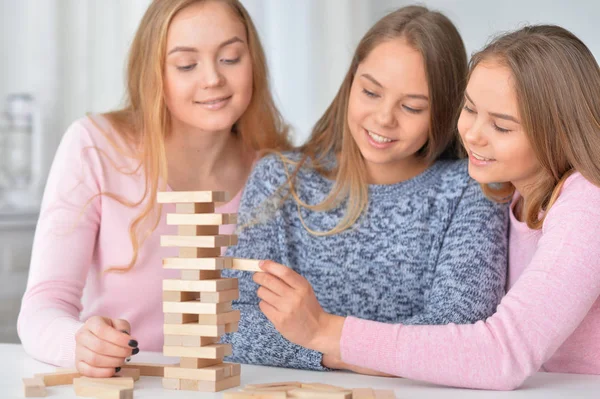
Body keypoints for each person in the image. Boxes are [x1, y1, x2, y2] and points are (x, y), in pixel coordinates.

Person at [254, 25, 600, 389]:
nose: (472, 134)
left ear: (560, 132)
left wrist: (325, 331)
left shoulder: (587, 203)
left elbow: (502, 355)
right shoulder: (510, 192)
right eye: (469, 109)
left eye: (501, 126)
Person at [222, 5, 508, 372]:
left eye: (411, 106)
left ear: (445, 112)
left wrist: (318, 331)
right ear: (351, 82)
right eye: (371, 92)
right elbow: (230, 323)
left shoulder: (472, 190)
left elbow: (457, 336)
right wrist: (335, 351)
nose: (384, 118)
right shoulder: (280, 180)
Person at [18, 0, 291, 377]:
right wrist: (80, 342)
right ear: (154, 73)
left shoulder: (279, 172)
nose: (213, 78)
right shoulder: (94, 146)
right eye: (186, 64)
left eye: (230, 58)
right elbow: (41, 308)